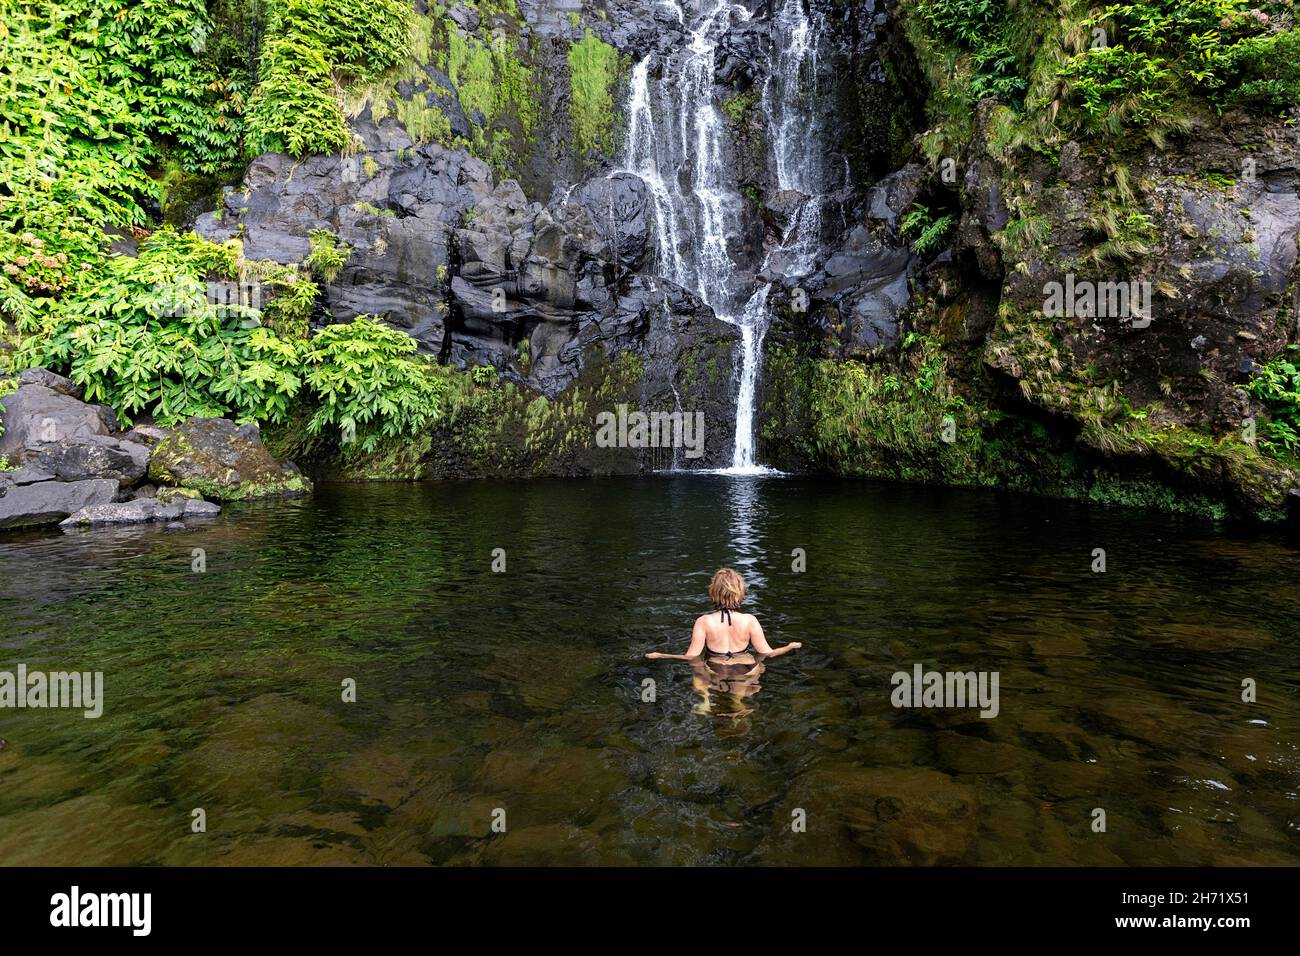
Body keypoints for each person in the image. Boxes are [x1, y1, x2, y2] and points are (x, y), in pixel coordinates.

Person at [645, 568, 801, 662]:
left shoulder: (703, 621)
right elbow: (769, 653)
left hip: (715, 668)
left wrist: (660, 655)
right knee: (756, 674)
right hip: (745, 668)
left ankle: (705, 700)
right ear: (740, 592)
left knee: (702, 679)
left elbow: (691, 657)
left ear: (713, 592)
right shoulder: (750, 620)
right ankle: (740, 704)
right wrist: (790, 646)